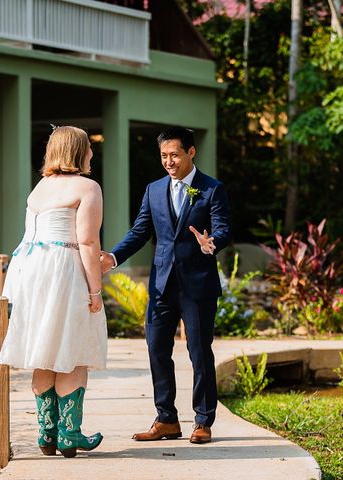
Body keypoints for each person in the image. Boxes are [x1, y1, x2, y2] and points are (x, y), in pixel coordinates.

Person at [100, 126, 231, 444]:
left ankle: (203, 421)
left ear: (191, 152)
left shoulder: (211, 189)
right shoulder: (153, 189)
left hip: (197, 285)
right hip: (161, 284)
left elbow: (223, 228)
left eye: (174, 155)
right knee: (157, 349)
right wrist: (113, 257)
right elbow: (140, 231)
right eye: (163, 156)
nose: (169, 161)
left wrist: (211, 241)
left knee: (199, 352)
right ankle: (167, 420)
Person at [0, 125, 107, 458]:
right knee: (72, 346)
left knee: (45, 346)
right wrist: (95, 291)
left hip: (30, 268)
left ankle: (47, 434)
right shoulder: (87, 186)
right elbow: (88, 242)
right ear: (78, 151)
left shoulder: (41, 187)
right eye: (88, 147)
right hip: (63, 267)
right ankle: (69, 434)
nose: (92, 153)